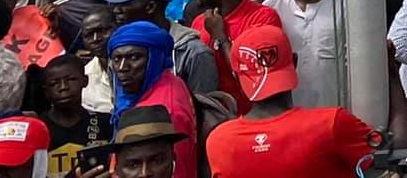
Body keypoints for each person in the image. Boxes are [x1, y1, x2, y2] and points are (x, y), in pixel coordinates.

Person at [203, 25, 386, 177]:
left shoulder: (218, 142)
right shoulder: (331, 124)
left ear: (236, 76)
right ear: (294, 61)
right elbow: (397, 158)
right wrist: (391, 74)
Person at [106, 22, 197, 178]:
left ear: (155, 58)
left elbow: (176, 170)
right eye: (116, 59)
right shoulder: (163, 81)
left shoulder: (164, 111)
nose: (122, 67)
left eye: (134, 57)